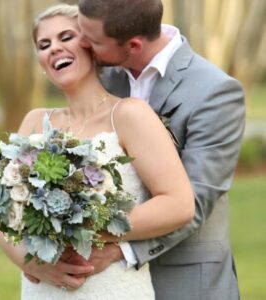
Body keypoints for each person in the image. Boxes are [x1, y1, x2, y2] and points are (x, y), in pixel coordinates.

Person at [0, 3, 195, 300]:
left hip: (112, 286)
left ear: (90, 46)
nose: (54, 48)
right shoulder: (34, 121)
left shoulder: (130, 115)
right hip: (43, 290)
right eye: (44, 44)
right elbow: (0, 212)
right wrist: (34, 263)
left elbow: (179, 204)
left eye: (65, 37)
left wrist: (89, 228)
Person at [57, 0, 243, 299]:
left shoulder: (216, 93)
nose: (81, 43)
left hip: (182, 279)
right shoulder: (101, 76)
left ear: (132, 45)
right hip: (104, 283)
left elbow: (195, 202)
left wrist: (122, 249)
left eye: (91, 40)